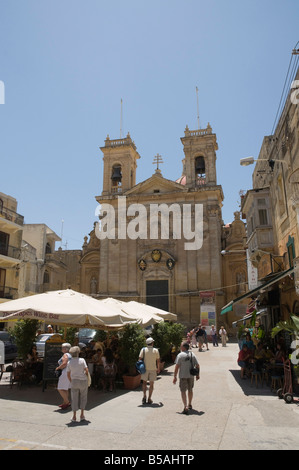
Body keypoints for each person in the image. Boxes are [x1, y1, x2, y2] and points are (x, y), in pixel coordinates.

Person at [173, 341, 200, 414]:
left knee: (183, 391)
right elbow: (197, 365)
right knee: (190, 390)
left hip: (182, 376)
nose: (180, 347)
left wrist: (175, 376)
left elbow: (177, 367)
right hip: (191, 376)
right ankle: (190, 404)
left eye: (181, 346)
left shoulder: (180, 355)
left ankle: (185, 406)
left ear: (183, 347)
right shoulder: (192, 354)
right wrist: (197, 374)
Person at [67, 346, 89, 422]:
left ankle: (74, 416)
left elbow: (68, 374)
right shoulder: (82, 360)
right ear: (78, 353)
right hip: (83, 380)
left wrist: (71, 381)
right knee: (83, 397)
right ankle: (82, 414)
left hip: (74, 381)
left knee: (74, 398)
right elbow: (86, 370)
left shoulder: (69, 362)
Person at [139, 337, 160, 405]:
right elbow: (158, 360)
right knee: (151, 384)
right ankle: (149, 398)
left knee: (144, 383)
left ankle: (144, 396)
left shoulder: (143, 350)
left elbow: (139, 359)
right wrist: (158, 368)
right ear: (152, 343)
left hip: (144, 369)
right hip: (153, 369)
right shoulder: (155, 350)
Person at [56, 343, 72, 409]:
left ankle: (67, 402)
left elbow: (64, 363)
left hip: (65, 372)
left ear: (65, 349)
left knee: (60, 388)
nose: (61, 349)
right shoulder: (71, 355)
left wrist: (58, 368)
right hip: (70, 372)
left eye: (62, 348)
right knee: (65, 388)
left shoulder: (65, 355)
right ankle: (64, 403)